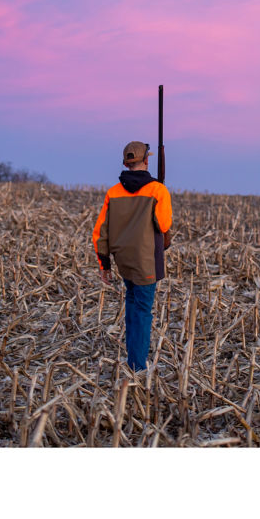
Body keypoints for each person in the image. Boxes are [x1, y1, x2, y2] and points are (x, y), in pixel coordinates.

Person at [92, 141, 173, 371]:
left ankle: (132, 358)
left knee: (132, 303)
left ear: (126, 163)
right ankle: (137, 366)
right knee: (143, 311)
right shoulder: (157, 190)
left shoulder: (113, 192)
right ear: (146, 160)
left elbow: (100, 232)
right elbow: (164, 223)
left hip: (123, 262)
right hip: (145, 261)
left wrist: (104, 264)